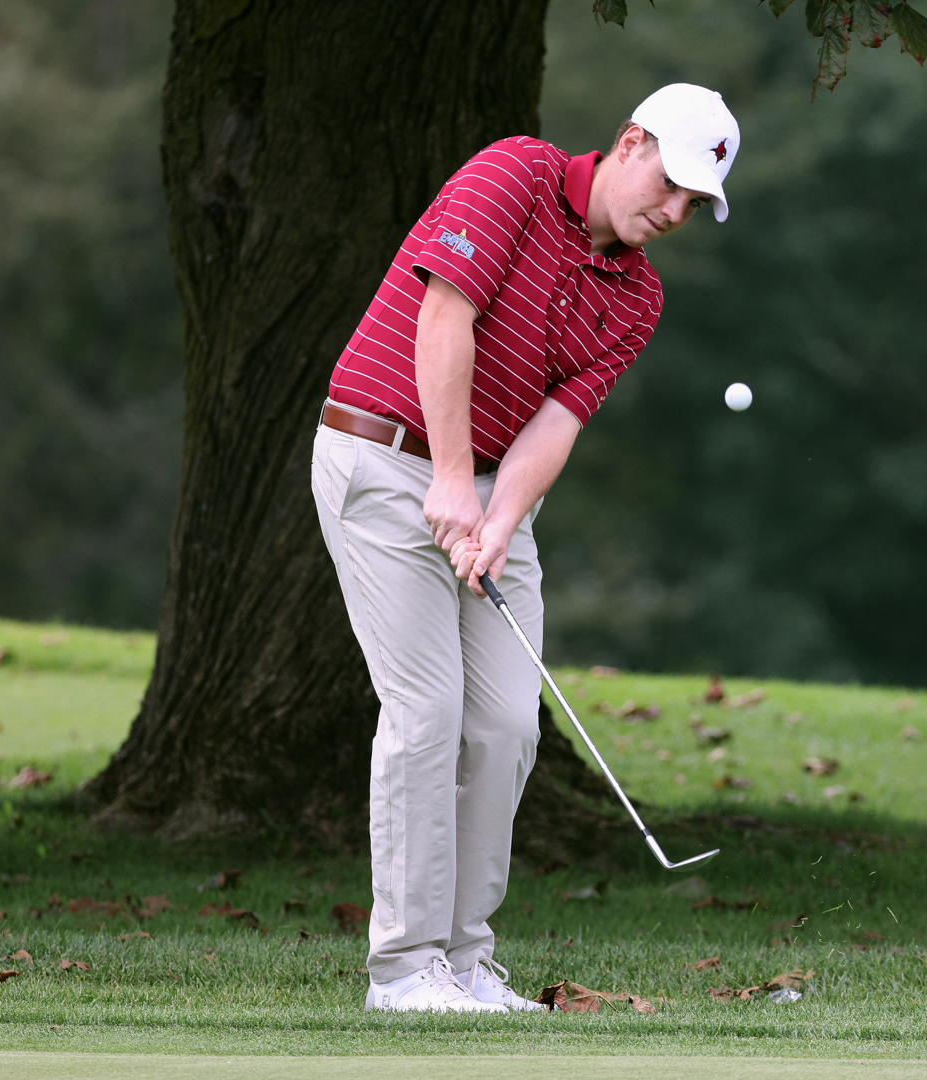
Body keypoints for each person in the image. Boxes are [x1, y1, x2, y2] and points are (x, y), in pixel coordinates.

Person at [311, 84, 739, 1013]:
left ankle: (463, 963)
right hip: (384, 464)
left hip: (489, 494)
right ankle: (402, 969)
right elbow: (444, 319)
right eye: (668, 185)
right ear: (630, 143)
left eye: (692, 206)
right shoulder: (515, 172)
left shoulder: (638, 296)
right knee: (425, 714)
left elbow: (557, 420)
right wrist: (455, 482)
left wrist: (499, 520)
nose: (672, 213)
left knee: (505, 724)